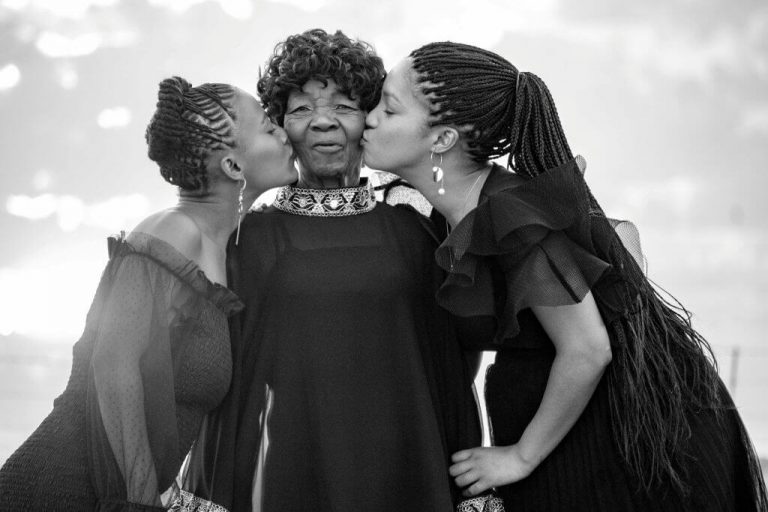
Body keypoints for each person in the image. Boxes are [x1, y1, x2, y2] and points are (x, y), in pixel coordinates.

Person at [362, 42, 768, 511]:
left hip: (632, 439)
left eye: (387, 108)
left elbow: (588, 349)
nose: (369, 118)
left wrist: (519, 457)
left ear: (442, 139)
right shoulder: (445, 213)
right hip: (574, 424)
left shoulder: (512, 217)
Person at [178, 29, 481, 512]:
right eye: (301, 110)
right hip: (290, 468)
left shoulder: (418, 227)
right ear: (279, 129)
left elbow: (456, 353)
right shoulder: (248, 239)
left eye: (343, 106)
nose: (322, 122)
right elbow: (221, 371)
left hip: (410, 458)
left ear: (371, 120)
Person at [0, 76, 297, 511]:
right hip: (58, 490)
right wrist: (141, 501)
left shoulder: (220, 249)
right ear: (233, 167)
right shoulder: (175, 231)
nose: (284, 133)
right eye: (270, 128)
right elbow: (114, 361)